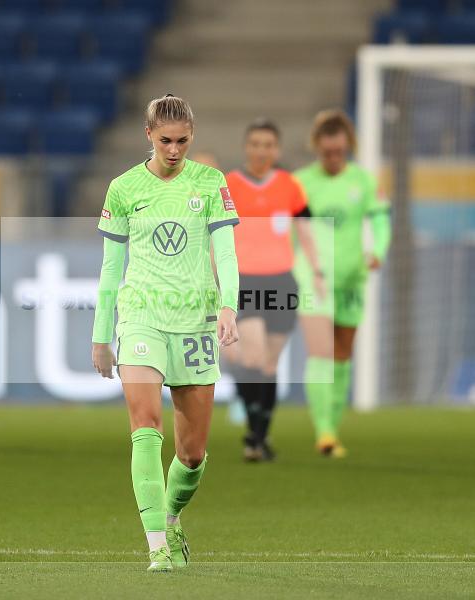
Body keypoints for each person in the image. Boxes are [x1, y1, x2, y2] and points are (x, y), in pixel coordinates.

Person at [91, 94, 240, 572]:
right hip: (142, 319)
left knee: (192, 453)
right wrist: (101, 334)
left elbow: (229, 253)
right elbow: (111, 268)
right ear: (148, 135)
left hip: (194, 322)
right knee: (145, 427)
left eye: (182, 141)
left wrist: (228, 307)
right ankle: (157, 544)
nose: (173, 150)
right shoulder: (123, 188)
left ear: (191, 137)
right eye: (164, 140)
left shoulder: (211, 183)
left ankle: (171, 516)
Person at [222, 118, 324, 462]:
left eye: (268, 144)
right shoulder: (229, 184)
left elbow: (305, 231)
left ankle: (259, 436)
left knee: (268, 365)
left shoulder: (289, 186)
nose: (261, 150)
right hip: (245, 280)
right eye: (255, 144)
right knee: (250, 357)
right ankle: (253, 434)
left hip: (282, 280)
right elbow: (215, 236)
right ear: (246, 147)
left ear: (276, 149)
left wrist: (319, 271)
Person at [293, 109, 390, 458]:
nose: (333, 158)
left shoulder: (364, 181)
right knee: (321, 351)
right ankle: (325, 431)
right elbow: (291, 230)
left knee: (342, 353)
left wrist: (377, 250)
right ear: (316, 148)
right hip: (313, 278)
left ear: (349, 147)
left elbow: (380, 221)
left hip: (351, 277)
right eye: (327, 153)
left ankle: (333, 426)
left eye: (339, 152)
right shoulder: (300, 183)